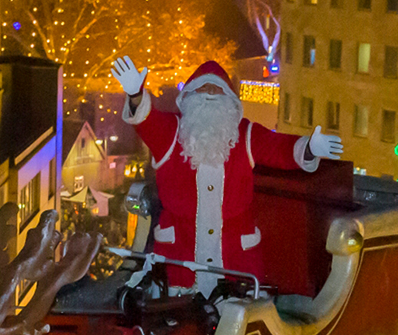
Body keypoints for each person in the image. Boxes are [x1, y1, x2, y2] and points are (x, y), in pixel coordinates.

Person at [110, 55, 342, 294]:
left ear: (230, 102)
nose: (209, 94)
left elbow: (278, 148)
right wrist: (136, 95)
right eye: (202, 89)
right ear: (188, 98)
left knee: (238, 317)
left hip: (235, 260)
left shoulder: (245, 135)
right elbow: (147, 121)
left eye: (216, 90)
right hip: (180, 256)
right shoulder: (170, 133)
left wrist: (310, 147)